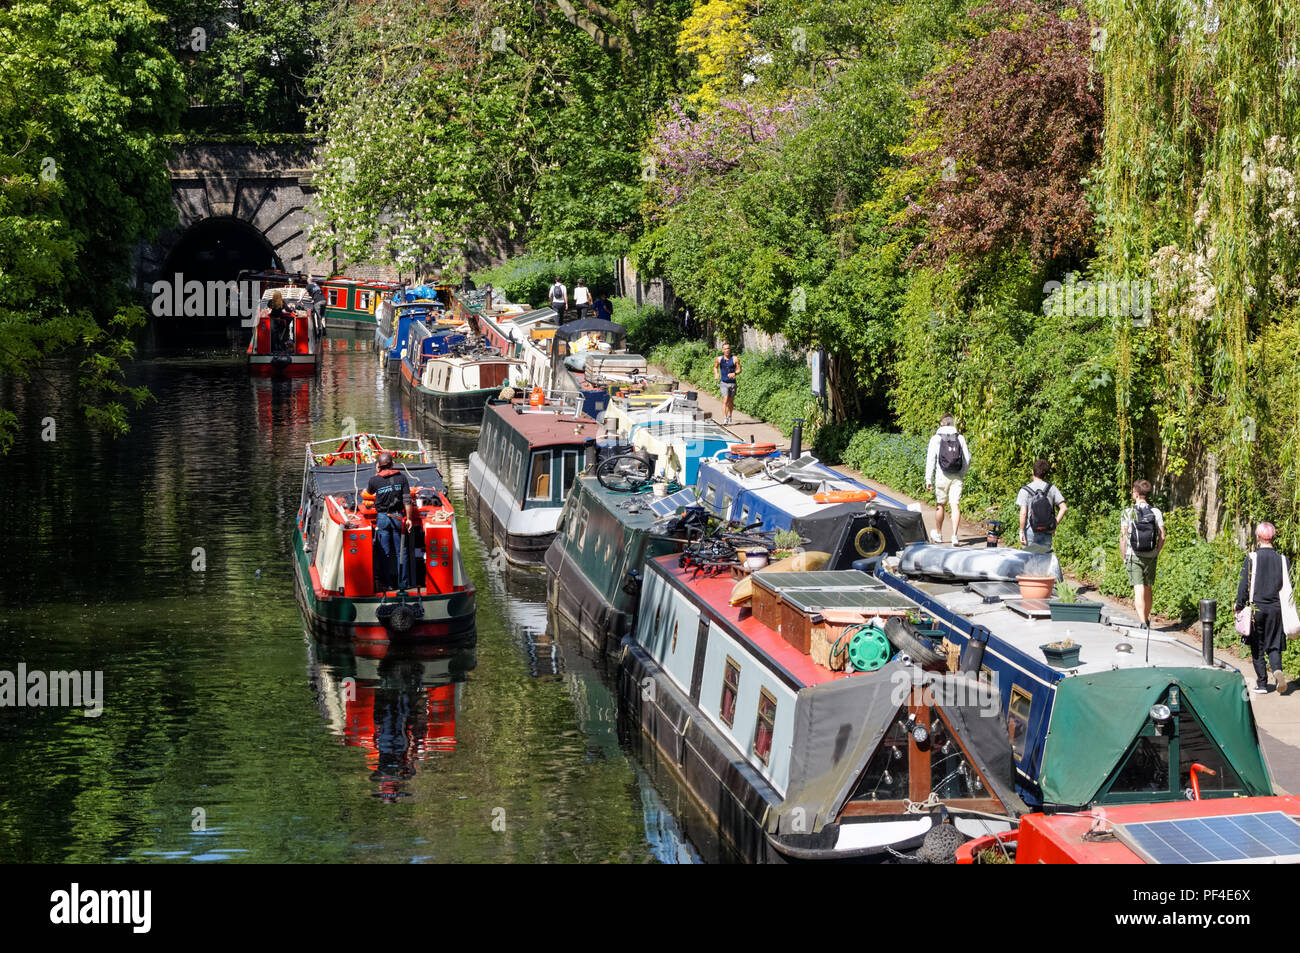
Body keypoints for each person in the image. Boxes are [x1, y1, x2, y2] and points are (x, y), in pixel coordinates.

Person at [1236, 522, 1289, 694]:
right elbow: (1287, 585)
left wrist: (1239, 604)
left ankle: (1262, 684)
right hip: (1276, 608)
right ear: (1273, 537)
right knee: (1274, 644)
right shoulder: (1282, 559)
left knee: (1257, 645)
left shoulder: (1252, 558)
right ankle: (1277, 670)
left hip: (1257, 608)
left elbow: (1244, 584)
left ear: (1258, 537)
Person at [1119, 479, 1166, 629]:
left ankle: (1142, 621)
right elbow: (1163, 536)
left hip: (1134, 555)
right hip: (1151, 556)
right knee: (1148, 587)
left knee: (1138, 587)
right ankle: (1146, 618)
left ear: (1137, 494)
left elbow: (1123, 537)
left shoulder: (1128, 512)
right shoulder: (1156, 512)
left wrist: (1124, 555)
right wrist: (1156, 552)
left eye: (1133, 491)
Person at [367, 451, 415, 591]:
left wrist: (377, 473)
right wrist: (409, 519)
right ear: (392, 464)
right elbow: (407, 500)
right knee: (402, 552)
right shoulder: (402, 478)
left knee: (384, 552)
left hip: (382, 518)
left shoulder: (374, 480)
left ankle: (387, 584)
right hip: (398, 517)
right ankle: (403, 584)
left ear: (379, 466)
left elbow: (369, 493)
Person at [924, 414, 971, 545]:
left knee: (940, 505)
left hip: (941, 475)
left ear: (942, 424)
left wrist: (928, 479)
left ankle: (939, 534)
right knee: (955, 505)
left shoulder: (936, 438)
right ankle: (955, 536)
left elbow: (931, 460)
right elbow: (967, 458)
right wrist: (962, 473)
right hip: (956, 475)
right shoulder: (960, 438)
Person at [1016, 459, 1066, 553]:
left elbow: (1023, 513)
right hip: (1047, 531)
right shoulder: (1051, 488)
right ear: (1045, 474)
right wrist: (1054, 524)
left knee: (1029, 562)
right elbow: (1063, 508)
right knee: (1044, 561)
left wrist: (1021, 531)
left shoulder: (1025, 490)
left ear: (1032, 471)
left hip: (1030, 531)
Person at [713, 342, 741, 426]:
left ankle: (730, 415)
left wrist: (734, 373)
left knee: (731, 402)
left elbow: (739, 370)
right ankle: (725, 419)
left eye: (728, 348)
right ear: (722, 350)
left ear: (730, 349)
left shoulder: (735, 359)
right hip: (723, 382)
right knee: (725, 400)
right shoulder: (719, 359)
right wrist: (716, 374)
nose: (726, 350)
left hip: (732, 383)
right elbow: (715, 367)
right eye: (725, 349)